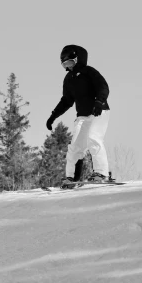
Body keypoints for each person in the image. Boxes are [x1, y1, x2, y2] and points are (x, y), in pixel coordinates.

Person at [46, 45, 111, 188]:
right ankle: (72, 179)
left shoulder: (89, 72)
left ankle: (102, 173)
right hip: (82, 116)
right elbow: (66, 101)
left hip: (99, 112)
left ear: (78, 59)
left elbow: (103, 87)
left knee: (94, 139)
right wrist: (53, 116)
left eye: (70, 63)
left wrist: (99, 102)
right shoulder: (69, 78)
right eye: (64, 64)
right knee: (75, 146)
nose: (67, 67)